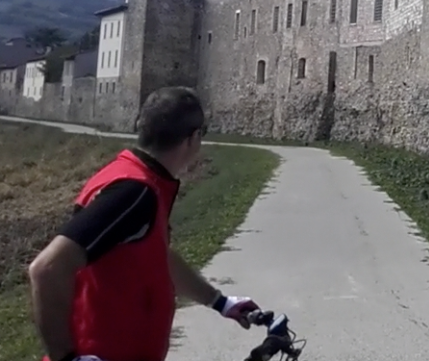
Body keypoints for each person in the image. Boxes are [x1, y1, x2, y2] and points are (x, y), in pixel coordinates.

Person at [27, 86, 260, 361]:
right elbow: (46, 268)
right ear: (194, 138)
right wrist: (65, 357)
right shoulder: (134, 192)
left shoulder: (133, 179)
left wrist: (220, 302)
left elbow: (156, 257)